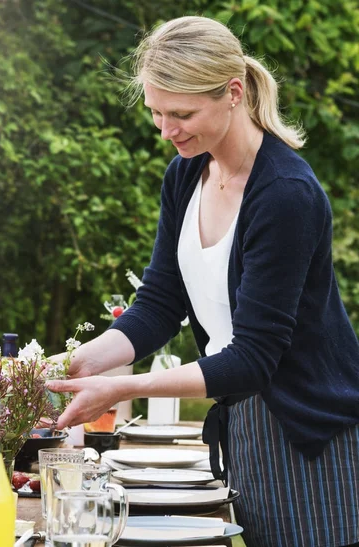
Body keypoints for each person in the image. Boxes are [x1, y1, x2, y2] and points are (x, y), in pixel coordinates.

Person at [46, 15, 359, 547]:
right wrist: (76, 363)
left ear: (233, 93)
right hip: (246, 423)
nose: (167, 131)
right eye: (156, 113)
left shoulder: (286, 194)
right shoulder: (187, 172)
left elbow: (255, 356)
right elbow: (160, 304)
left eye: (182, 114)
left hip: (311, 436)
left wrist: (122, 387)